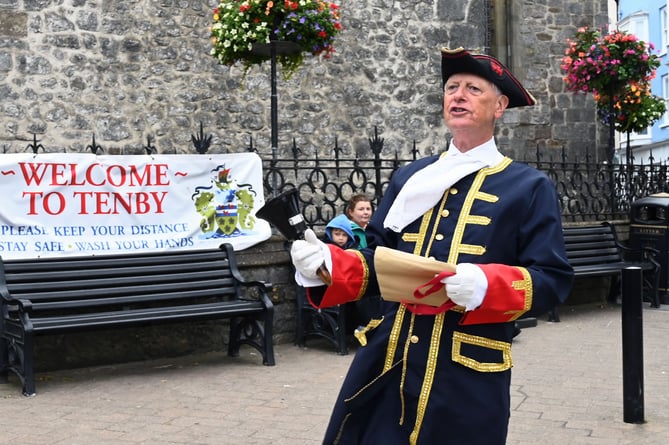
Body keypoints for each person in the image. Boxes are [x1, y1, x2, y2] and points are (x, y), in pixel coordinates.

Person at [290, 47, 574, 445]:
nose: (458, 95)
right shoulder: (412, 176)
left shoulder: (528, 187)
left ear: (500, 106)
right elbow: (377, 259)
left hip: (466, 374)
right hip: (390, 358)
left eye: (473, 88)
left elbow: (552, 279)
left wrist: (485, 285)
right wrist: (326, 266)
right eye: (452, 88)